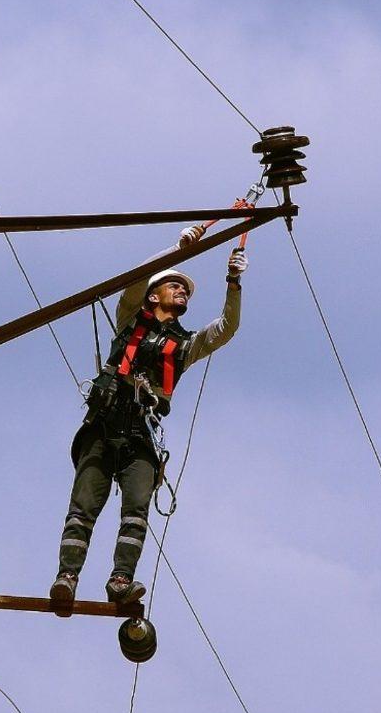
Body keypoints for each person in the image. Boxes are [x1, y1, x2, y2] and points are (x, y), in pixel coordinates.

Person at [49, 225, 249, 604]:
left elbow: (226, 328)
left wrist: (233, 283)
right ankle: (67, 577)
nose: (183, 291)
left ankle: (121, 581)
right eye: (175, 285)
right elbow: (136, 279)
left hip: (140, 436)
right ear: (154, 295)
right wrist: (178, 249)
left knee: (136, 509)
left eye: (186, 289)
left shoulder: (185, 345)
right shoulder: (129, 320)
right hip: (102, 426)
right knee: (83, 507)